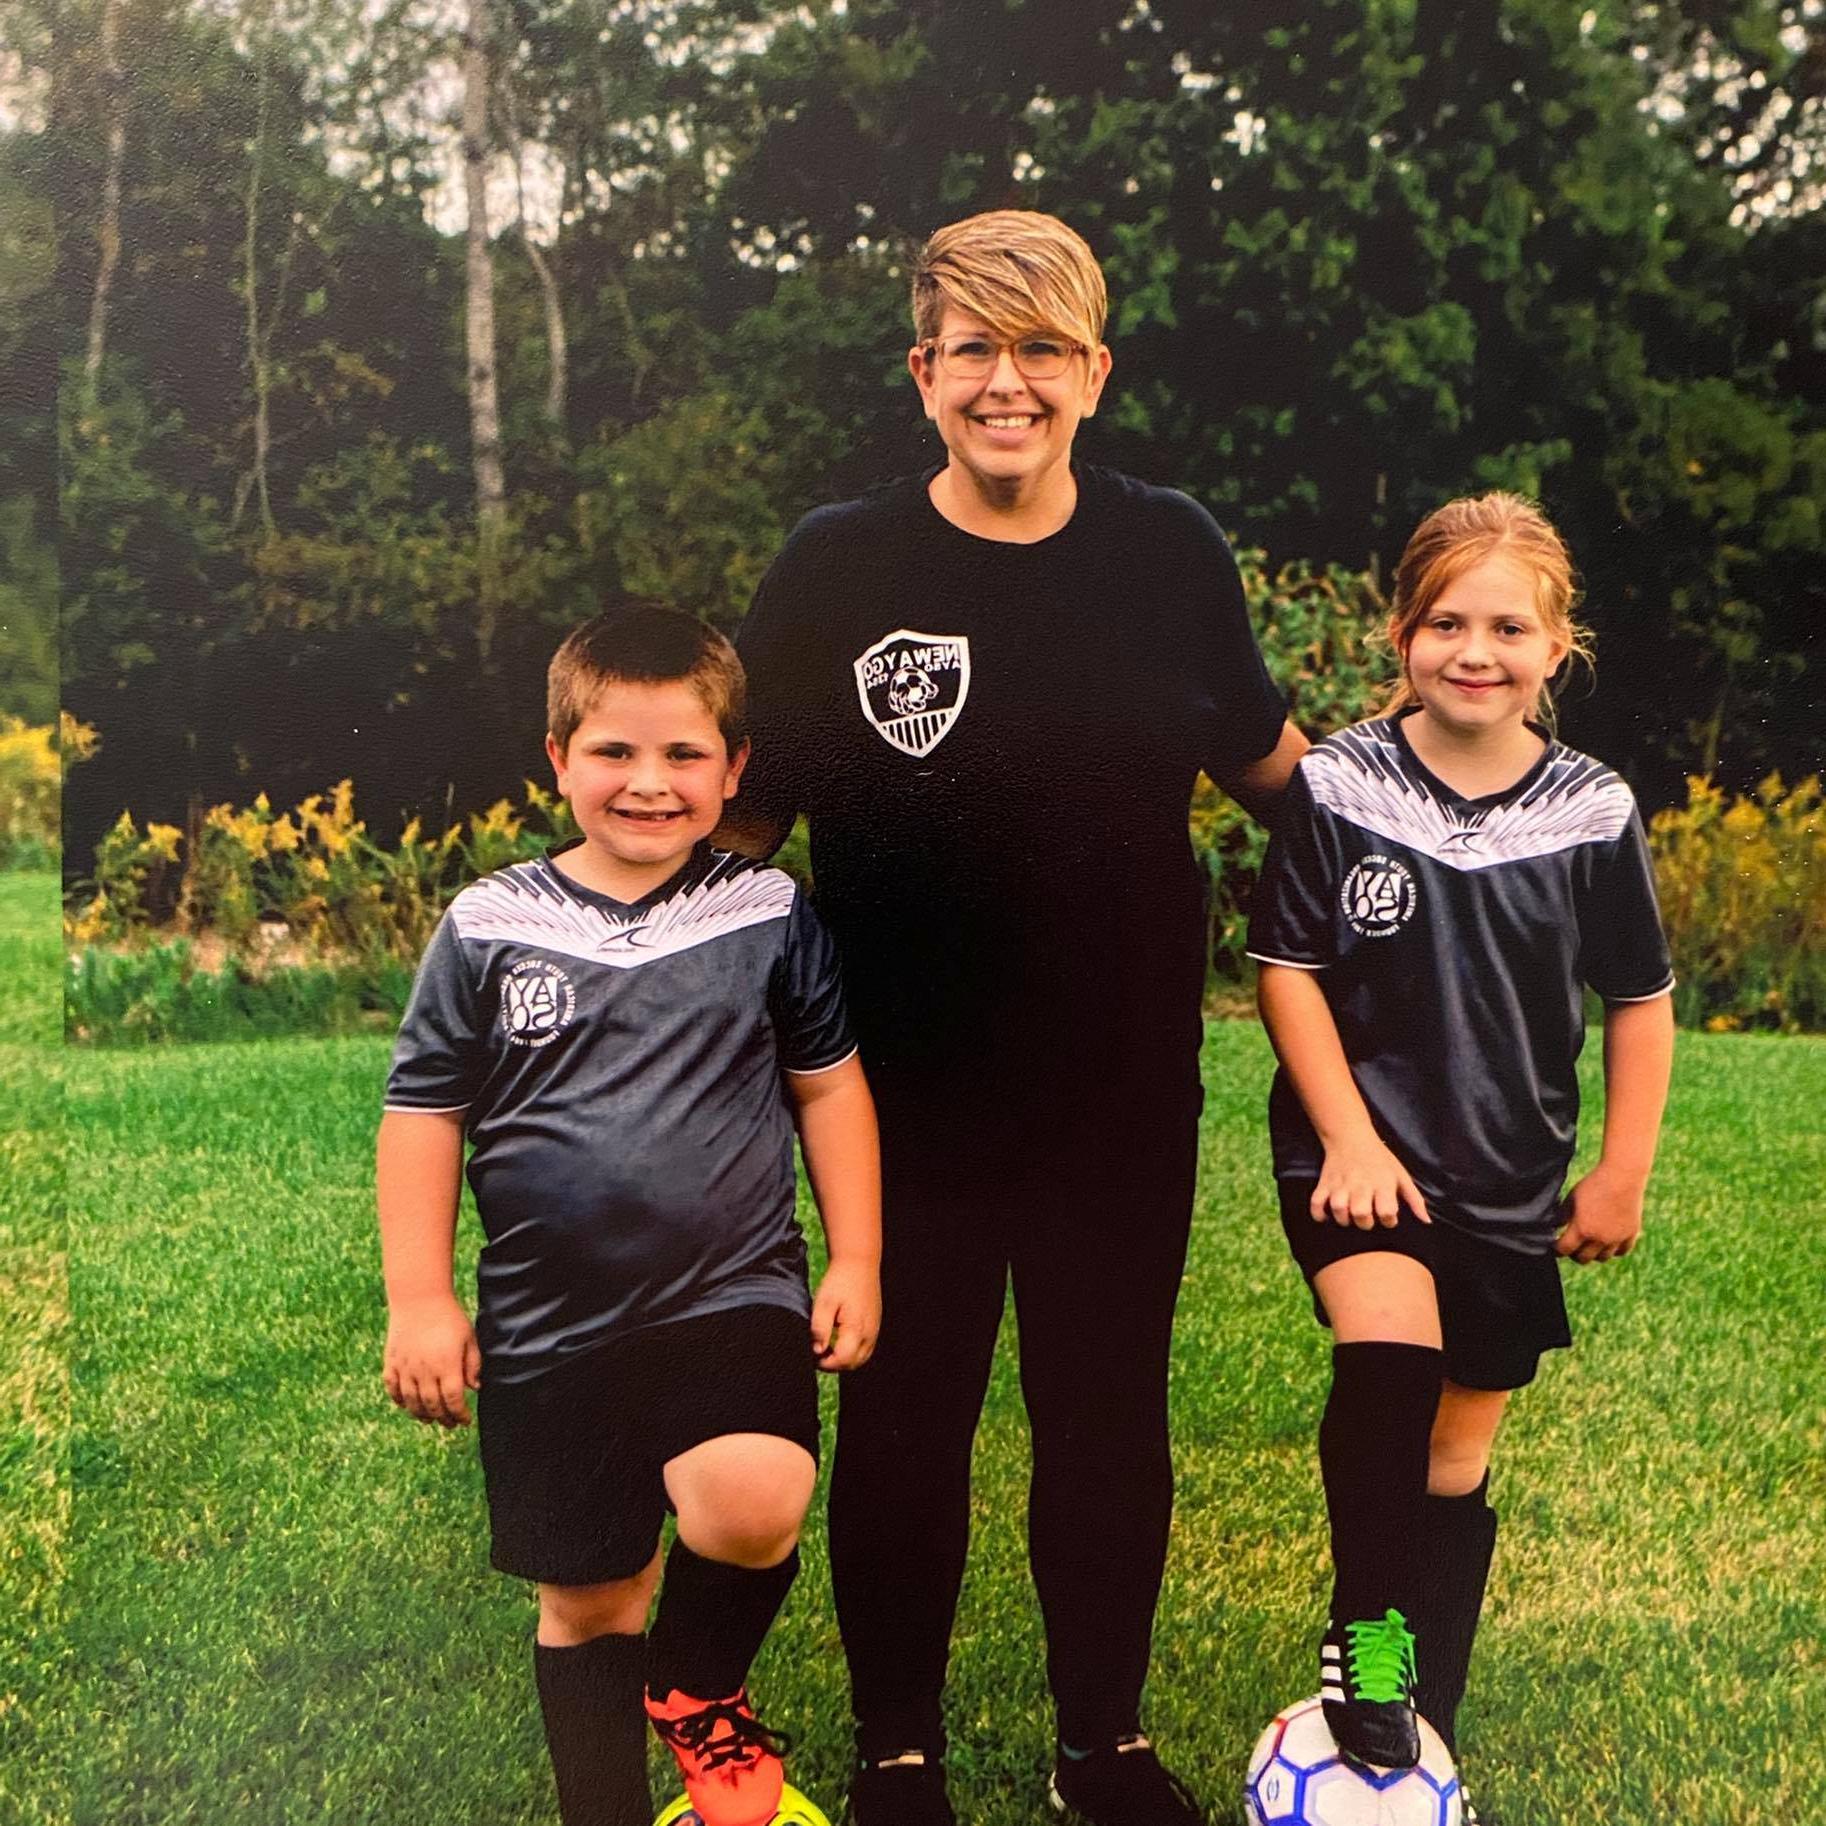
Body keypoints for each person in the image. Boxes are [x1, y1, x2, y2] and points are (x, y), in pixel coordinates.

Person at [728, 209, 1308, 1826]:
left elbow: (1287, 782)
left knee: (1104, 1417)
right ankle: (896, 1752)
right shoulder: (835, 567)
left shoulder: (1167, 552)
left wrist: (1475, 823)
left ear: (1094, 374)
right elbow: (736, 833)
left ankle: (1098, 1747)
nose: (1008, 381)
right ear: (922, 376)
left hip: (1119, 1088)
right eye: (973, 349)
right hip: (890, 1099)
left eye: (1042, 348)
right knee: (903, 1420)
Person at [377, 606, 882, 1826]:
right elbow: (423, 1113)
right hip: (551, 1326)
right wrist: (421, 1297)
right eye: (613, 752)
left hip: (731, 1290)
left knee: (754, 1494)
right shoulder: (490, 925)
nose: (647, 784)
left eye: (682, 755)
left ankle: (698, 1681)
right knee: (591, 1595)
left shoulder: (764, 909)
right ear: (557, 757)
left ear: (734, 770)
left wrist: (856, 1253)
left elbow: (829, 1086)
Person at [1246, 493, 1675, 1812]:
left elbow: (1638, 999)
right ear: (1401, 632)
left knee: (1452, 1451)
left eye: (1504, 625)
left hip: (1509, 1175)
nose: (1471, 649)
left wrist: (1618, 1171)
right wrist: (1346, 1135)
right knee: (1388, 1355)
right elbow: (1285, 969)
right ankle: (1368, 1654)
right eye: (1444, 621)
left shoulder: (1592, 808)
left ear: (1556, 646)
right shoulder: (1339, 782)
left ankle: (1424, 1716)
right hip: (1361, 1158)